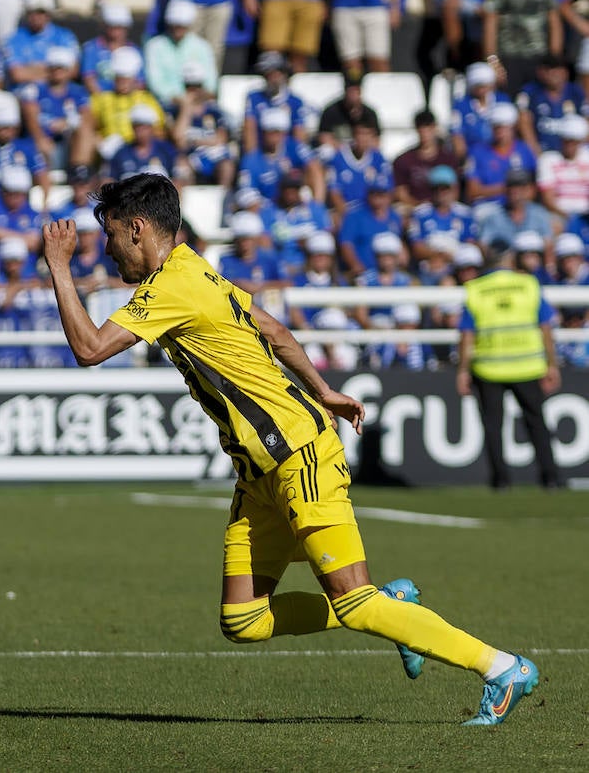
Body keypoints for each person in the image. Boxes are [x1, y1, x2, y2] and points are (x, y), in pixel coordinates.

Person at [42, 171, 540, 726]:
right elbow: (272, 330)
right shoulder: (194, 270)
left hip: (298, 455)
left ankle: (502, 667)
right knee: (244, 620)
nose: (108, 251)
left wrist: (59, 267)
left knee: (353, 598)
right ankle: (393, 607)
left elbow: (89, 349)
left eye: (110, 236)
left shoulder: (171, 287)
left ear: (137, 229)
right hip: (258, 473)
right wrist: (323, 390)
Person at [457, 244, 564, 491]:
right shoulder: (528, 285)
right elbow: (546, 327)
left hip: (488, 368)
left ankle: (501, 480)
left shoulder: (476, 289)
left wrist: (463, 370)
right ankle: (550, 477)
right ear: (510, 259)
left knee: (494, 425)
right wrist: (552, 364)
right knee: (537, 423)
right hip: (527, 365)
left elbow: (467, 334)